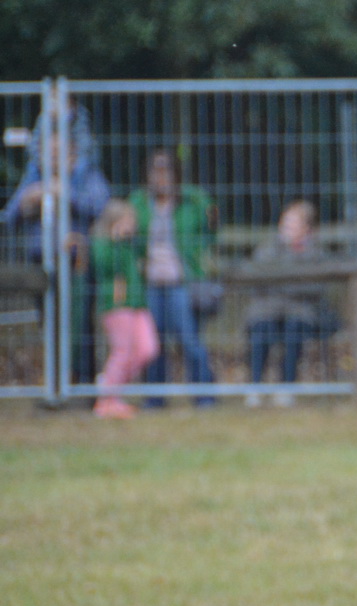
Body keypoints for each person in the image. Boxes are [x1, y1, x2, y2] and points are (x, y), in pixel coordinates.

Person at [1, 103, 110, 385]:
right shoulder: (34, 177)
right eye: (47, 153)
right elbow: (10, 216)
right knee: (49, 326)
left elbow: (102, 206)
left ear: (72, 152)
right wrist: (28, 201)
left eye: (58, 153)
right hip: (42, 263)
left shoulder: (87, 176)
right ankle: (56, 384)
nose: (51, 158)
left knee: (80, 327)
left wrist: (69, 195)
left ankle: (82, 387)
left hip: (77, 263)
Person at [129, 149, 216, 405]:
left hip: (181, 282)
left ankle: (204, 397)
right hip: (151, 283)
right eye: (155, 170)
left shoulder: (192, 201)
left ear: (176, 174)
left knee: (190, 340)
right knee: (152, 344)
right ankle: (155, 399)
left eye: (166, 169)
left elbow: (209, 232)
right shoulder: (138, 203)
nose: (160, 176)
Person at [244, 201, 328, 406]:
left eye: (292, 224)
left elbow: (316, 287)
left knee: (294, 328)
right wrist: (294, 280)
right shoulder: (269, 246)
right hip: (267, 309)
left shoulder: (315, 251)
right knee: (262, 327)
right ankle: (255, 386)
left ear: (306, 228)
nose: (286, 228)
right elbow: (258, 277)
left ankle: (286, 386)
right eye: (285, 222)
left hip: (300, 311)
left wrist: (281, 282)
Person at [89, 199, 158, 419]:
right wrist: (116, 242)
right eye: (127, 221)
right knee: (122, 351)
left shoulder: (132, 245)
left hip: (138, 304)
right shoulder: (102, 245)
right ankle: (107, 400)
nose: (132, 226)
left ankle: (110, 386)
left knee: (148, 349)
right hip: (116, 305)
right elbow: (107, 267)